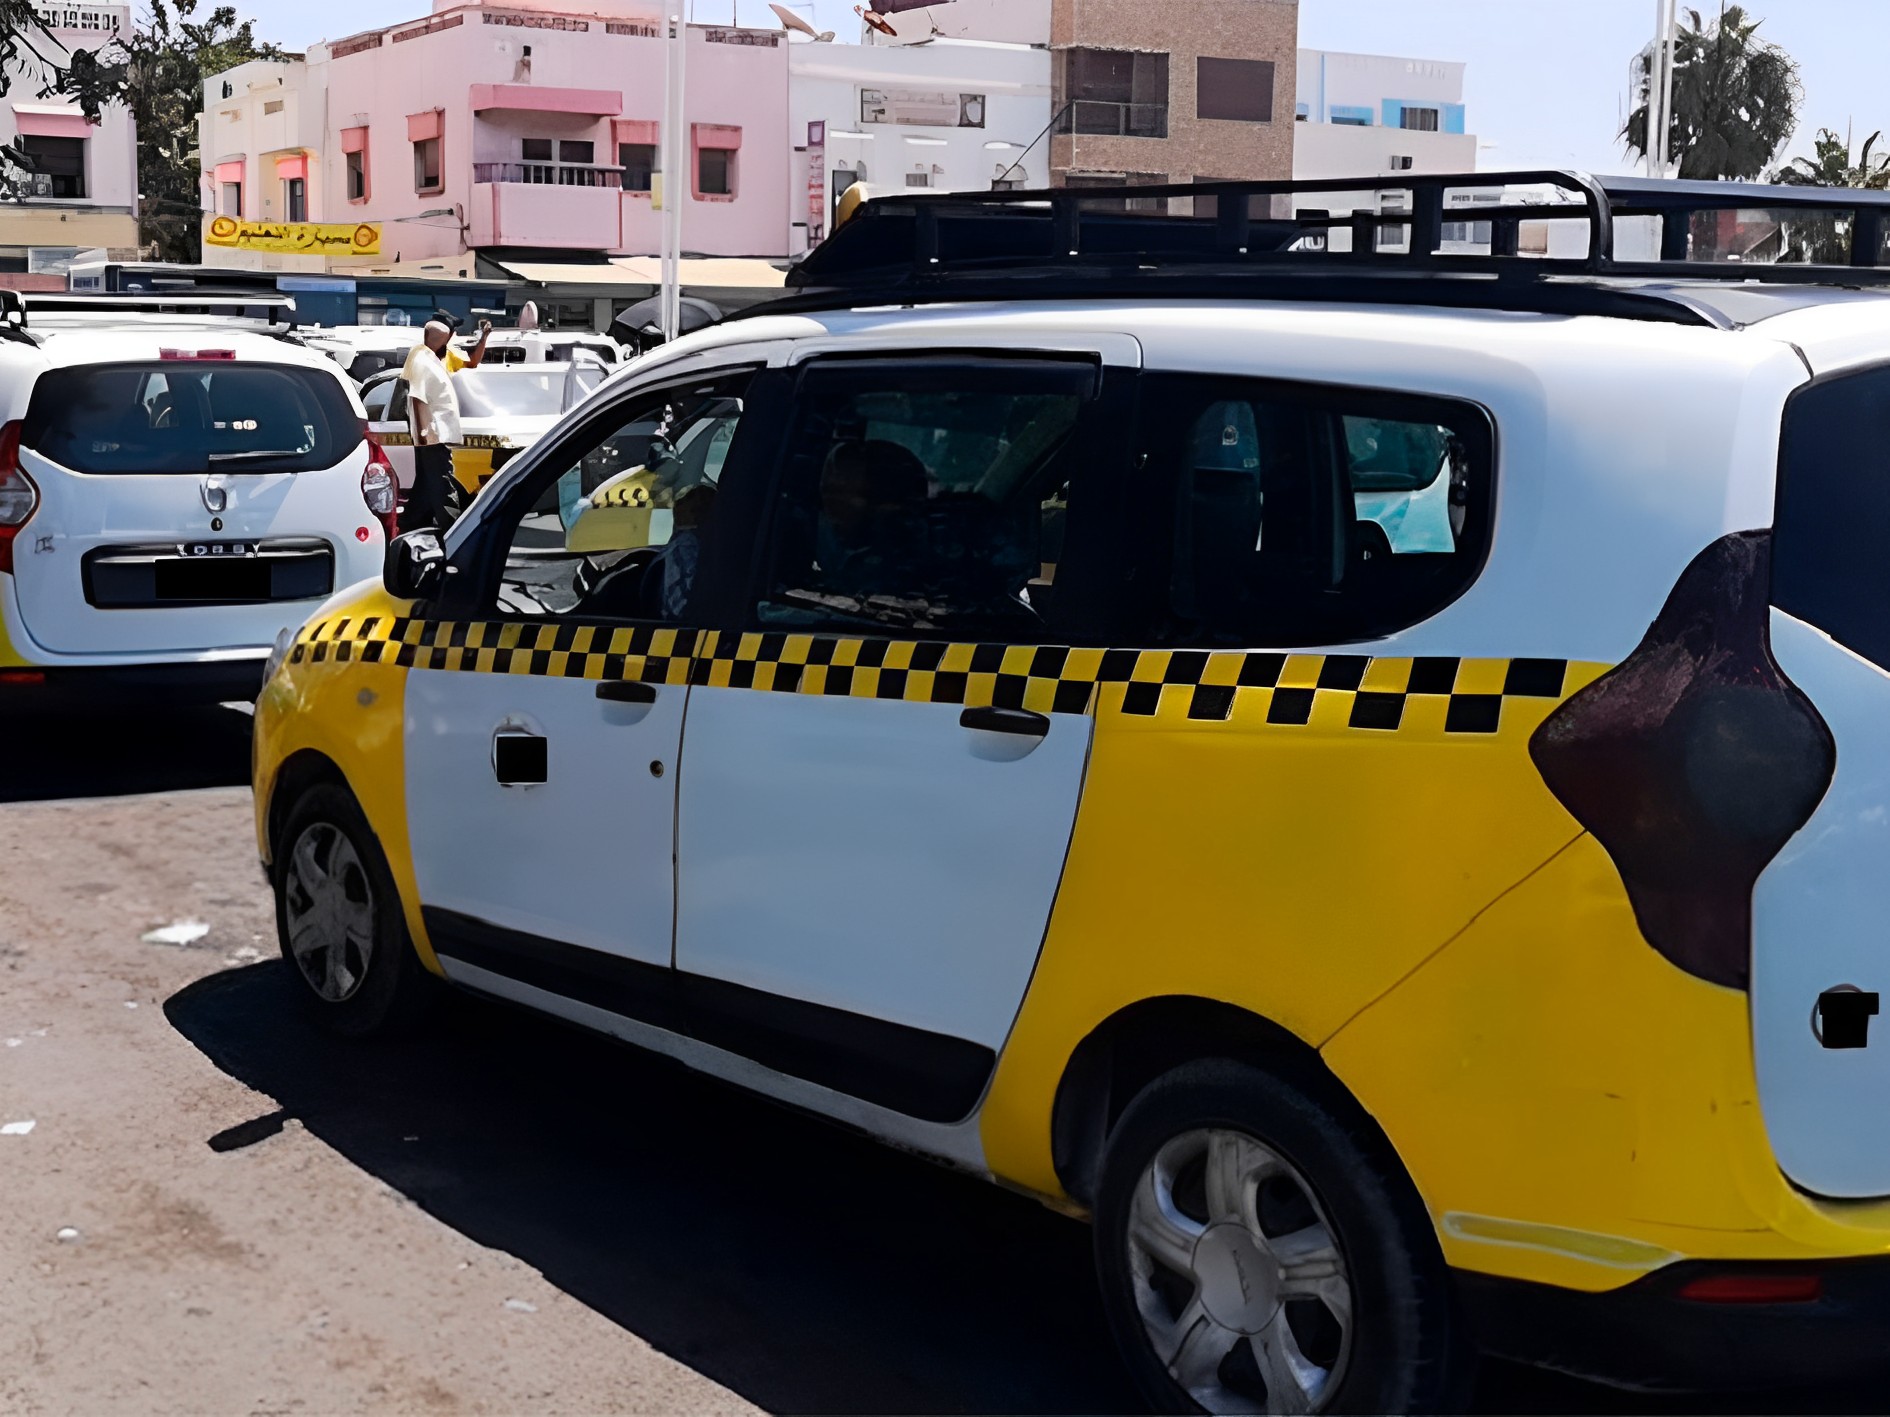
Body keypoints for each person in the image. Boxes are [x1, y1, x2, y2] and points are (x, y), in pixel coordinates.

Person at [399, 319, 472, 532]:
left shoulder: (426, 359)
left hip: (433, 433)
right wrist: (425, 435)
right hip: (433, 434)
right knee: (442, 481)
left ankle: (409, 523)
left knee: (426, 482)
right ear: (441, 341)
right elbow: (417, 398)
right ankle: (454, 530)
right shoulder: (423, 362)